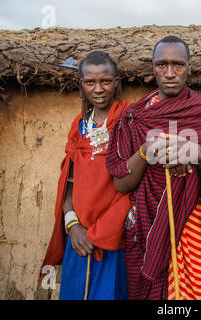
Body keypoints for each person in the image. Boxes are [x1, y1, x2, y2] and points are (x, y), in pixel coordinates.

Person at [106, 36, 201, 300]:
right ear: (152, 67)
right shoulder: (135, 118)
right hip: (145, 228)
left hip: (191, 226)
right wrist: (145, 151)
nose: (170, 73)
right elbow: (121, 183)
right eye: (162, 65)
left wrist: (197, 154)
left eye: (178, 65)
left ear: (190, 67)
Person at [40, 50, 132, 300]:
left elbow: (136, 185)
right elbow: (69, 183)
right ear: (82, 85)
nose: (98, 89)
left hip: (115, 237)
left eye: (105, 81)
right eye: (90, 82)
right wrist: (72, 225)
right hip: (78, 238)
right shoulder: (79, 125)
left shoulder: (130, 119)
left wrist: (103, 229)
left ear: (116, 82)